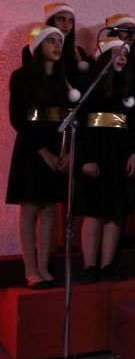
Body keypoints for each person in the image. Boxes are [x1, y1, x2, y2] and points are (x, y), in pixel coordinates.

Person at [7, 25, 72, 289]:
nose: (57, 46)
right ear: (37, 46)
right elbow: (17, 118)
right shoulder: (22, 77)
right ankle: (30, 269)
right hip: (32, 147)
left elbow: (69, 118)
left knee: (50, 207)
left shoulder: (63, 80)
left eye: (60, 42)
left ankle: (44, 268)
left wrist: (66, 152)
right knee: (30, 205)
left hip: (57, 146)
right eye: (51, 41)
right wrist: (43, 152)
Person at [73, 36, 135, 283]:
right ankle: (90, 265)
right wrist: (87, 158)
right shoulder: (89, 84)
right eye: (116, 53)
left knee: (115, 210)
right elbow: (81, 123)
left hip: (119, 152)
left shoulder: (127, 86)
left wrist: (132, 152)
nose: (122, 58)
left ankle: (108, 264)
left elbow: (132, 123)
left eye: (125, 54)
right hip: (96, 150)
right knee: (94, 210)